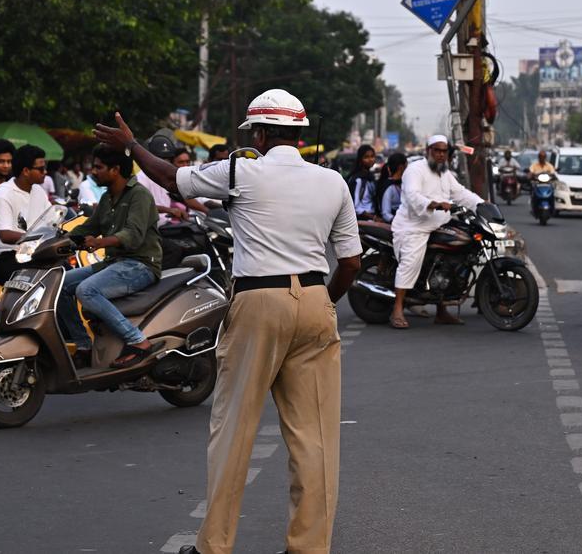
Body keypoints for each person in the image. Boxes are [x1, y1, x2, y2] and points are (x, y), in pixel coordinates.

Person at [96, 88, 361, 554]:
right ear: (299, 134)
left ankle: (214, 546)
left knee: (234, 429)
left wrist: (132, 146)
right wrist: (323, 302)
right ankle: (309, 547)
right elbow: (352, 263)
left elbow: (172, 178)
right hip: (318, 299)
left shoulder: (243, 170)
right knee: (315, 438)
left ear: (259, 134)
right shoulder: (333, 182)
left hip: (260, 300)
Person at [57, 143, 163, 369]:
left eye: (98, 167)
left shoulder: (139, 195)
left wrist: (100, 242)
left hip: (140, 265)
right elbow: (89, 226)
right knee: (60, 285)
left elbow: (133, 235)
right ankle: (84, 346)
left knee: (86, 290)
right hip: (114, 263)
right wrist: (57, 240)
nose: (93, 171)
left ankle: (138, 341)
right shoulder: (107, 198)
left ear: (115, 170)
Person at [390, 135, 485, 329]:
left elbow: (461, 193)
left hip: (439, 225)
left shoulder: (445, 174)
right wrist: (434, 204)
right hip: (413, 227)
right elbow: (413, 196)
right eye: (437, 151)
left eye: (444, 151)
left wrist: (483, 204)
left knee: (449, 261)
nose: (442, 155)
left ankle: (441, 311)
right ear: (429, 151)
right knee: (411, 262)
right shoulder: (415, 170)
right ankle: (397, 309)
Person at [0, 145, 52, 283]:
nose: (45, 172)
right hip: (7, 255)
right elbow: (5, 235)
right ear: (25, 171)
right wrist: (38, 238)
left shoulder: (38, 191)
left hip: (34, 252)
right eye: (41, 169)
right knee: (46, 279)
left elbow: (52, 219)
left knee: (66, 271)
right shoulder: (3, 194)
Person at [347, 144, 376, 219]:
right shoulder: (358, 180)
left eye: (372, 156)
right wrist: (373, 218)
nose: (370, 159)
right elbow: (356, 207)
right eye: (366, 157)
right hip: (363, 218)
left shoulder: (370, 177)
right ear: (360, 159)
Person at [376, 153, 407, 223]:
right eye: (406, 166)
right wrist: (401, 222)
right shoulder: (389, 187)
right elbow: (386, 214)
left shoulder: (404, 183)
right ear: (401, 167)